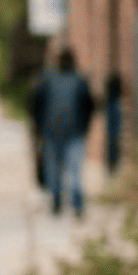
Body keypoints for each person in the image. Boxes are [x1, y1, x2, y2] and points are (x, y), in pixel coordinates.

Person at [28, 48, 95, 218]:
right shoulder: (54, 80)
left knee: (64, 171)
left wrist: (38, 128)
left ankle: (68, 203)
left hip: (65, 133)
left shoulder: (58, 80)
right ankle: (62, 202)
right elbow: (36, 104)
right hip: (58, 133)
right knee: (64, 171)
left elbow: (88, 106)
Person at [102, 69, 123, 175]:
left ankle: (112, 167)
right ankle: (112, 167)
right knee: (113, 142)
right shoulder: (114, 106)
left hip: (112, 135)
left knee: (112, 142)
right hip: (113, 135)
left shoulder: (111, 105)